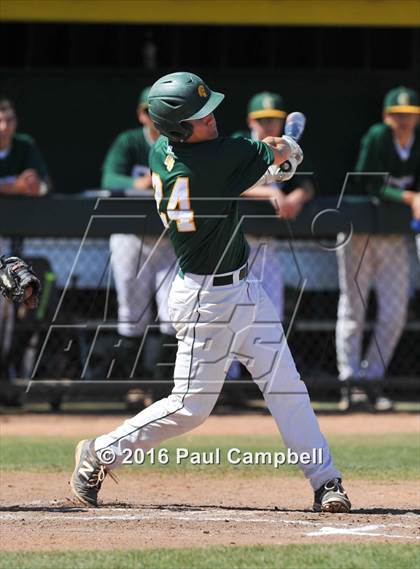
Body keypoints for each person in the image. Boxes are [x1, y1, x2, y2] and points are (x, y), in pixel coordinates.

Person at [70, 71, 351, 514]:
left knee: (286, 388)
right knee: (190, 408)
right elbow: (279, 159)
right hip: (206, 301)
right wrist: (289, 149)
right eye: (201, 115)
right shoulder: (215, 159)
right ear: (181, 127)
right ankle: (100, 452)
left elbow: (267, 161)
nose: (213, 117)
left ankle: (325, 481)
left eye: (210, 109)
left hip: (242, 286)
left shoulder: (166, 150)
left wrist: (280, 156)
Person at [336, 86, 420, 412]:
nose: (404, 120)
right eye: (398, 115)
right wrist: (409, 198)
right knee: (353, 308)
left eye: (410, 115)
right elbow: (367, 181)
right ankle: (349, 381)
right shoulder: (377, 136)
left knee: (395, 312)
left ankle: (372, 379)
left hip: (392, 237)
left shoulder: (415, 141)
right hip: (360, 231)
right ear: (387, 116)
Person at [101, 87, 177, 386]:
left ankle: (163, 389)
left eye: (161, 111)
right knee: (132, 316)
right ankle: (132, 387)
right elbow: (109, 178)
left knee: (174, 316)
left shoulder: (179, 143)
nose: (154, 117)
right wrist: (141, 181)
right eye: (149, 111)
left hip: (170, 239)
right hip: (130, 238)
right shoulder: (129, 142)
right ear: (141, 114)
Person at [0, 97, 50, 196]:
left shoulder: (25, 145)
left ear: (16, 122)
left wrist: (38, 187)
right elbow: (14, 187)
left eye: (9, 120)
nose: (4, 127)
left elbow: (46, 184)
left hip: (21, 210)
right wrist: (11, 188)